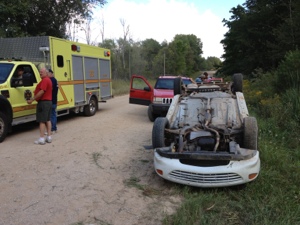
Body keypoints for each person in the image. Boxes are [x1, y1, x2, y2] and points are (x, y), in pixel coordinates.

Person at [27, 67, 52, 145]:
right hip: (48, 102)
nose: (40, 73)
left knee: (42, 121)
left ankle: (41, 138)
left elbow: (42, 91)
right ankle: (49, 137)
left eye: (42, 72)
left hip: (43, 102)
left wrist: (32, 99)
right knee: (47, 120)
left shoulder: (45, 80)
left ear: (46, 73)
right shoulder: (48, 80)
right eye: (40, 72)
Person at [48, 69, 58, 133]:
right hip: (54, 100)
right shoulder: (55, 80)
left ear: (51, 74)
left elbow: (50, 89)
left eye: (48, 73)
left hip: (52, 100)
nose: (47, 74)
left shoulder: (52, 80)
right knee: (52, 114)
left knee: (52, 114)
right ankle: (53, 128)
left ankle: (53, 128)